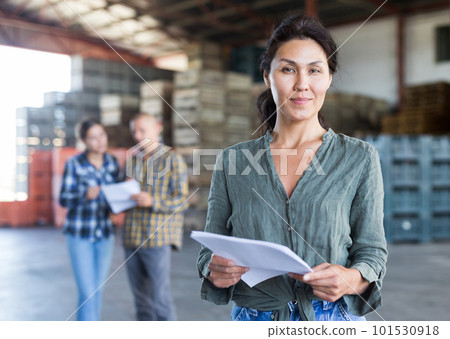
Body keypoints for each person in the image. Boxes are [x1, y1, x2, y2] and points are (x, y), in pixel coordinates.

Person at [197, 14, 388, 321]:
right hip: (255, 317)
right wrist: (213, 269)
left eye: (315, 70)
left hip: (334, 318)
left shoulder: (359, 158)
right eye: (288, 69)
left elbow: (372, 251)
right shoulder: (232, 162)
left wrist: (351, 279)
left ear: (328, 78)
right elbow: (209, 249)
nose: (302, 84)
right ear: (266, 76)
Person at [123, 113, 189, 321]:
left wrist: (153, 202)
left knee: (160, 300)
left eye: (143, 130)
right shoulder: (132, 159)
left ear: (158, 128)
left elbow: (182, 200)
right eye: (135, 131)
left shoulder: (173, 160)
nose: (137, 135)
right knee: (141, 301)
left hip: (156, 239)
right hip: (131, 237)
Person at [59, 118, 120, 321]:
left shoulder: (112, 163)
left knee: (97, 292)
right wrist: (85, 194)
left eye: (101, 135)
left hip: (104, 235)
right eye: (93, 138)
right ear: (84, 141)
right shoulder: (74, 164)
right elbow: (64, 198)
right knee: (87, 293)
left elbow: (115, 195)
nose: (100, 141)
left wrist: (116, 208)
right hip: (80, 236)